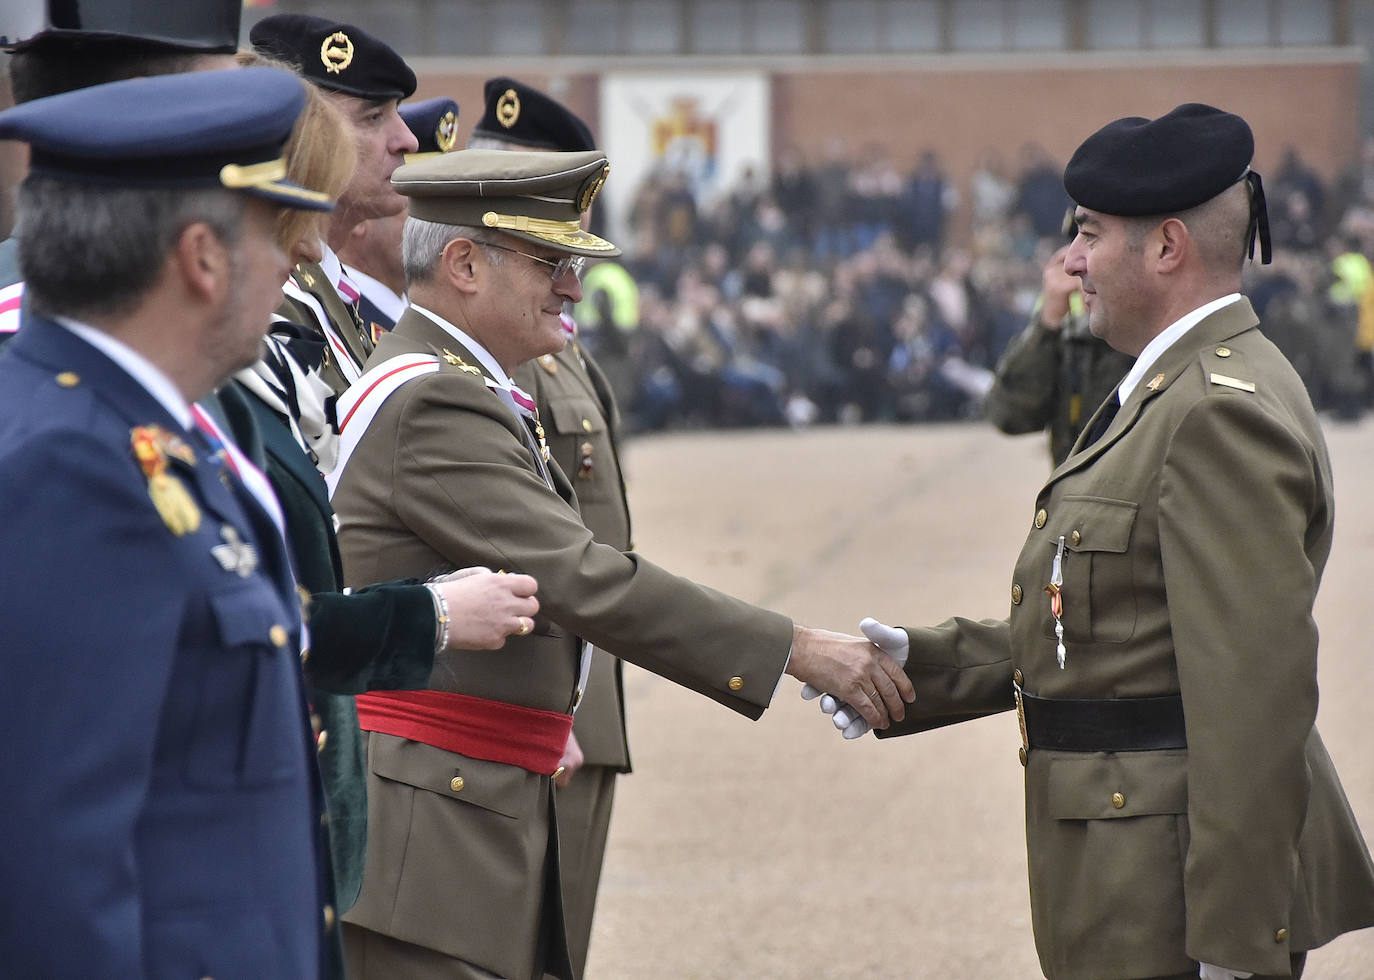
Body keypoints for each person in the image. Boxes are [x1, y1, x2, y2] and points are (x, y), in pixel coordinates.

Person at [816, 104, 1374, 979]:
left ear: (1167, 247)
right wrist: (921, 669)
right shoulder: (1172, 386)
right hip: (1130, 872)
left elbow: (1252, 701)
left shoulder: (1215, 413)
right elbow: (1115, 628)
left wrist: (1235, 942)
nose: (1069, 261)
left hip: (1166, 898)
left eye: (1088, 233)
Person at [327, 148, 914, 980]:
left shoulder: (466, 385)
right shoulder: (435, 399)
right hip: (427, 837)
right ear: (463, 264)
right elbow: (582, 577)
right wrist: (799, 649)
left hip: (460, 815)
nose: (572, 285)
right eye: (551, 262)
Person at [0, 65, 335, 978]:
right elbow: (49, 870)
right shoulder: (69, 469)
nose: (297, 257)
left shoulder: (143, 430)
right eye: (276, 230)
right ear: (201, 257)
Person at [469, 74, 633, 976]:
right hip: (537, 700)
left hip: (583, 693)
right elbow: (513, 531)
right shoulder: (497, 352)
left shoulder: (551, 343)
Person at [249, 13, 420, 395]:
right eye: (374, 116)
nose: (407, 140)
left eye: (398, 114)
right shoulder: (274, 293)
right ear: (306, 134)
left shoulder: (329, 286)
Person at [984, 210, 1135, 466]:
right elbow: (1010, 414)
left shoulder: (1149, 331)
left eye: (1092, 240)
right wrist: (1048, 322)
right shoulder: (1068, 335)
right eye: (1073, 245)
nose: (1076, 266)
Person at [338, 96, 460, 336]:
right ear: (359, 218)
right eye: (421, 204)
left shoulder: (429, 324)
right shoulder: (334, 317)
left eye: (448, 204)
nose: (445, 223)